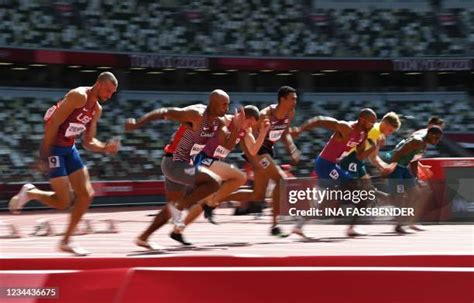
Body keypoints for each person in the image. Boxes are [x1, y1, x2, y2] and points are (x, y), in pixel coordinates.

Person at [9, 72, 120, 256]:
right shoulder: (78, 96)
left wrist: (105, 148)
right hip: (54, 149)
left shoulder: (97, 109)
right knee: (64, 202)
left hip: (70, 149)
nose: (109, 95)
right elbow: (53, 124)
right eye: (108, 90)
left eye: (112, 93)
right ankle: (30, 192)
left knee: (86, 195)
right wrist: (44, 154)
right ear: (98, 84)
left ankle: (66, 241)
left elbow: (88, 141)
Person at [125, 90, 244, 246]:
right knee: (214, 182)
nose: (227, 108)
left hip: (183, 165)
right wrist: (137, 124)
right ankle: (181, 207)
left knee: (170, 208)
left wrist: (236, 128)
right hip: (175, 163)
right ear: (213, 103)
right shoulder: (197, 114)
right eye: (224, 104)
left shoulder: (218, 122)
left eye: (228, 104)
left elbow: (226, 146)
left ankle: (143, 237)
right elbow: (164, 112)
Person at [172, 105, 270, 241]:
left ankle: (178, 230)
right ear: (243, 116)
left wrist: (263, 134)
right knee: (240, 177)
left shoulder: (244, 130)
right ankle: (212, 203)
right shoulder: (224, 120)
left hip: (211, 162)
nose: (249, 127)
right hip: (201, 159)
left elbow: (253, 150)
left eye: (252, 126)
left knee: (203, 202)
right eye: (249, 123)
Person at [214, 86, 301, 237]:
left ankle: (214, 198)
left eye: (296, 98)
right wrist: (252, 159)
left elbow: (285, 132)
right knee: (281, 179)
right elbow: (245, 134)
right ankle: (275, 225)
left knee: (257, 196)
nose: (295, 101)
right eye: (292, 98)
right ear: (282, 99)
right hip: (257, 152)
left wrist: (292, 148)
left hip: (267, 152)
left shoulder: (290, 113)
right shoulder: (265, 115)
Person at [290, 108, 377, 237]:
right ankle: (348, 225)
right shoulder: (345, 127)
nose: (373, 126)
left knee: (328, 203)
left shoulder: (363, 135)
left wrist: (373, 148)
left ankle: (300, 225)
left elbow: (359, 156)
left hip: (333, 165)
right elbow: (320, 120)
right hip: (324, 163)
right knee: (352, 187)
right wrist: (300, 129)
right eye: (371, 123)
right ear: (362, 120)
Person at [338, 112, 401, 236]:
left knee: (368, 193)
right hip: (351, 161)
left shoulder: (378, 134)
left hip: (356, 163)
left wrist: (384, 167)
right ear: (385, 123)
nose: (390, 133)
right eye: (390, 130)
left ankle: (352, 226)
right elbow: (365, 152)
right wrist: (383, 168)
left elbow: (373, 157)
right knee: (366, 195)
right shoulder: (374, 132)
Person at [383, 126, 443, 233]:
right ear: (430, 134)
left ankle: (406, 221)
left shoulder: (424, 145)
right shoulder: (417, 141)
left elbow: (414, 162)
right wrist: (391, 167)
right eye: (436, 138)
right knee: (399, 196)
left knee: (416, 193)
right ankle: (399, 224)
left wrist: (416, 179)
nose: (438, 141)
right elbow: (398, 152)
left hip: (404, 168)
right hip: (396, 166)